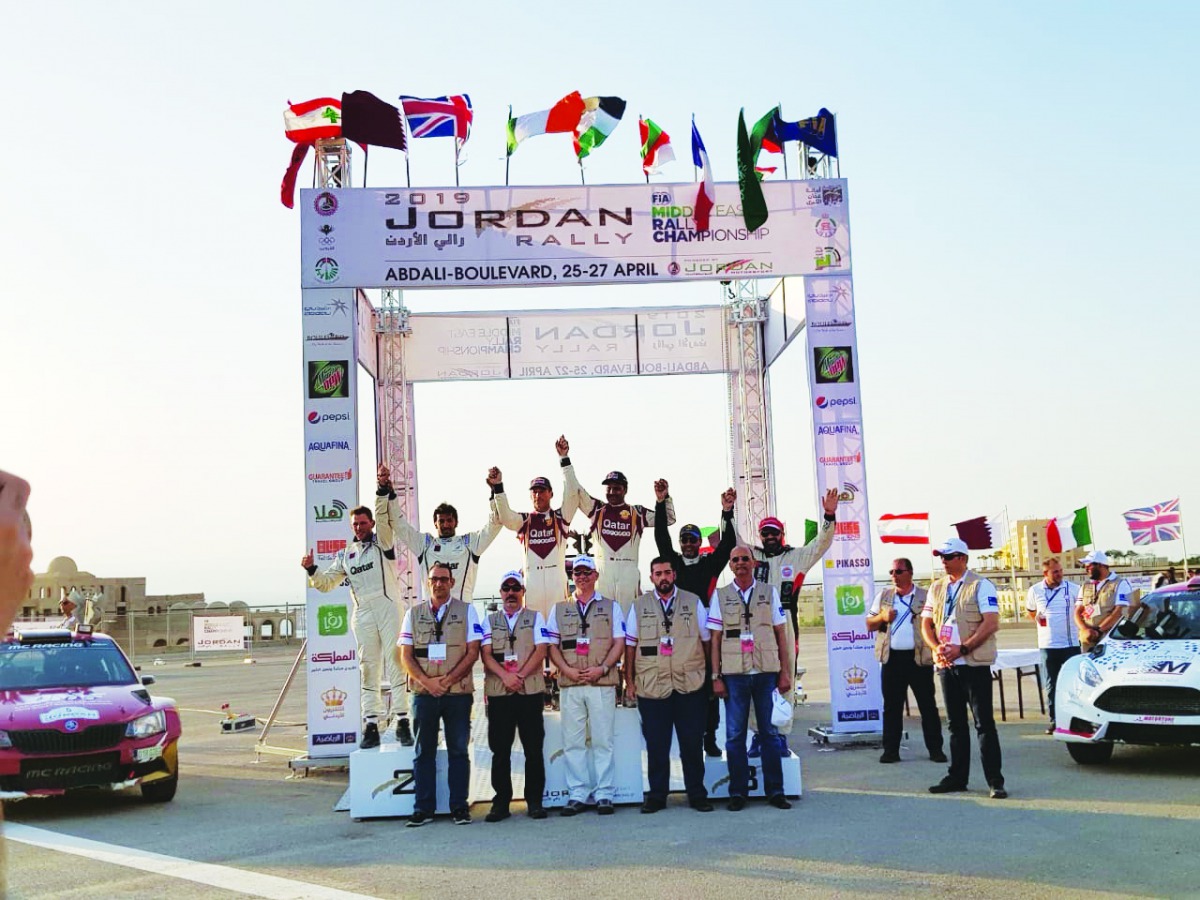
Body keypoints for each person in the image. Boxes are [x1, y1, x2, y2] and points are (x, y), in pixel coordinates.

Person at [303, 474, 411, 748]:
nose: (360, 527)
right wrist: (312, 569)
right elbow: (326, 584)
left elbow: (382, 512)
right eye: (355, 524)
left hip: (388, 607)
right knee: (368, 668)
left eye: (363, 523)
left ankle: (402, 720)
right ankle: (371, 724)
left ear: (372, 524)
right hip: (362, 612)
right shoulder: (345, 555)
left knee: (396, 663)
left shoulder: (383, 543)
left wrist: (381, 488)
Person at [744, 489, 838, 745]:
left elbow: (822, 543)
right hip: (755, 622)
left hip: (785, 621)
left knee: (785, 679)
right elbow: (729, 541)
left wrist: (829, 515)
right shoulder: (753, 557)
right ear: (760, 536)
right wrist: (727, 511)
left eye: (775, 532)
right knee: (754, 676)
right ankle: (758, 736)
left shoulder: (796, 557)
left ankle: (781, 736)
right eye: (766, 533)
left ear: (782, 534)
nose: (771, 536)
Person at [624, 557, 714, 813]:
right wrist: (629, 681)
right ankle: (657, 795)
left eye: (666, 572)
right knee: (656, 744)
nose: (662, 577)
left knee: (692, 743)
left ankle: (697, 794)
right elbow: (631, 646)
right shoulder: (639, 606)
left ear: (674, 575)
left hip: (690, 683)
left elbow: (706, 640)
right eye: (657, 573)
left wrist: (710, 675)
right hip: (653, 685)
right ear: (651, 577)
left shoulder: (693, 601)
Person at [398, 561, 484, 826]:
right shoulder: (413, 614)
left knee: (458, 751)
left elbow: (473, 652)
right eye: (434, 579)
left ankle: (459, 807)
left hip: (457, 693)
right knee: (424, 751)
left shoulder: (468, 612)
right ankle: (423, 809)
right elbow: (406, 656)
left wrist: (446, 681)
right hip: (424, 694)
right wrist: (427, 682)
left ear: (452, 582)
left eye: (444, 579)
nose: (439, 583)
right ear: (428, 582)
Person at [707, 546, 793, 811]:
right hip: (734, 675)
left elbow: (781, 634)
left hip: (766, 672)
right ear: (730, 566)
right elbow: (715, 639)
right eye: (736, 560)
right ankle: (738, 792)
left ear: (754, 563)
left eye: (745, 559)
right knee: (734, 736)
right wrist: (715, 676)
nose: (741, 563)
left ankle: (775, 791)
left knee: (769, 733)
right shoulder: (720, 596)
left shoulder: (769, 593)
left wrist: (785, 671)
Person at [654, 482, 737, 757]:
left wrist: (726, 512)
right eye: (685, 540)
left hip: (703, 635)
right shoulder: (673, 563)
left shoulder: (709, 563)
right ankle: (684, 737)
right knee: (678, 685)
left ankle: (710, 736)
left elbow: (728, 544)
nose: (689, 544)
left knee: (708, 686)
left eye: (693, 540)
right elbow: (660, 538)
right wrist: (661, 502)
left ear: (699, 543)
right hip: (675, 634)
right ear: (680, 544)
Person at [921, 538, 1006, 799]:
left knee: (984, 725)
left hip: (973, 664)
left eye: (948, 557)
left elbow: (990, 623)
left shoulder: (981, 585)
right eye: (941, 557)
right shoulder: (936, 588)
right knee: (955, 725)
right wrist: (935, 647)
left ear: (962, 558)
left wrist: (964, 648)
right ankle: (957, 777)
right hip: (947, 665)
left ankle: (995, 780)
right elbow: (926, 624)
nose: (943, 562)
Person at [545, 555, 625, 816]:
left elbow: (619, 642)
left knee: (603, 741)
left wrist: (602, 668)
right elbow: (551, 646)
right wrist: (565, 670)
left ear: (595, 576)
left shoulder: (612, 607)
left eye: (586, 572)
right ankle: (578, 793)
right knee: (573, 742)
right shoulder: (559, 609)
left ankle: (604, 794)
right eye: (577, 573)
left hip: (601, 682)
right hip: (571, 684)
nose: (581, 577)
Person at [562, 448, 674, 613]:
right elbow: (576, 490)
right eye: (609, 488)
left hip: (628, 571)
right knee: (601, 619)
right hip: (603, 571)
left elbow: (669, 519)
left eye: (617, 488)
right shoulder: (597, 509)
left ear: (625, 489)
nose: (612, 492)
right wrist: (564, 459)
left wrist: (663, 498)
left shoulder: (637, 513)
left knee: (629, 620)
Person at [479, 570, 549, 822]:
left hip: (529, 691)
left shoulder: (535, 617)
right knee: (500, 751)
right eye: (506, 588)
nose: (511, 593)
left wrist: (518, 675)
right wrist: (505, 677)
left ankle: (535, 802)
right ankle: (500, 803)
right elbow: (485, 653)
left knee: (533, 749)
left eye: (515, 588)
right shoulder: (490, 621)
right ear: (500, 593)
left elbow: (541, 650)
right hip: (500, 693)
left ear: (522, 592)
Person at [381, 463, 501, 605]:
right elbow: (399, 525)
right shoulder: (425, 544)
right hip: (433, 614)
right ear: (435, 524)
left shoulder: (470, 543)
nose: (445, 525)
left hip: (462, 615)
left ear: (456, 522)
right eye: (441, 521)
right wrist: (388, 493)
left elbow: (495, 524)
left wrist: (496, 490)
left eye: (449, 520)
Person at [488, 437, 581, 617]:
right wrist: (498, 487)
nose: (538, 495)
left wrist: (564, 459)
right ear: (531, 496)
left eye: (542, 491)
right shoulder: (525, 521)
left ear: (551, 493)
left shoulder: (561, 517)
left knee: (559, 638)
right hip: (532, 588)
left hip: (557, 588)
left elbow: (571, 493)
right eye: (534, 492)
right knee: (533, 640)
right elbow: (506, 517)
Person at [866, 557, 945, 764]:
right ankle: (890, 751)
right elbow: (869, 624)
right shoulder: (883, 596)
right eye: (892, 572)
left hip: (918, 659)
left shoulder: (925, 596)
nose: (894, 576)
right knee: (892, 707)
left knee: (927, 706)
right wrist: (882, 618)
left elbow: (935, 624)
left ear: (910, 573)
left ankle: (936, 749)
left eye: (898, 572)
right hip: (892, 659)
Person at [1024, 556, 1081, 733]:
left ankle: (1076, 718)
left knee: (1074, 683)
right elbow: (1030, 611)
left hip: (1070, 644)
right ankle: (1055, 719)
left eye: (1060, 571)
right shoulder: (1035, 590)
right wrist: (1038, 619)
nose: (1059, 574)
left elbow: (1083, 610)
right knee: (1051, 685)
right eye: (1055, 572)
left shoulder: (1073, 589)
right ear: (1045, 573)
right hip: (1048, 645)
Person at [1074, 550, 1132, 653]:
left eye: (1089, 565)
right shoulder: (1085, 586)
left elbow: (1120, 612)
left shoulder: (1121, 584)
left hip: (1109, 640)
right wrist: (1085, 630)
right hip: (1087, 640)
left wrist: (1098, 631)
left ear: (1100, 565)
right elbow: (1077, 611)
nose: (1086, 568)